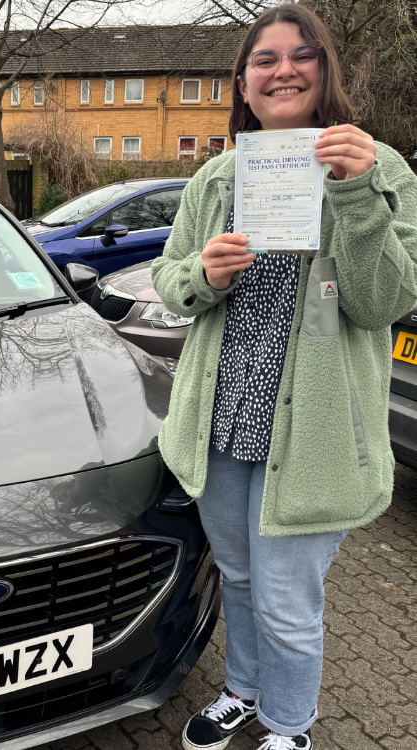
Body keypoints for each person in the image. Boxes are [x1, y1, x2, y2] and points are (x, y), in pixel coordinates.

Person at [151, 4, 417, 750]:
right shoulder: (216, 174)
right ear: (244, 81)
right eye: (265, 59)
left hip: (313, 435)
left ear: (325, 69)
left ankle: (289, 725)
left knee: (288, 601)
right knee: (237, 580)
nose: (284, 69)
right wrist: (202, 274)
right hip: (223, 420)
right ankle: (243, 690)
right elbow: (168, 281)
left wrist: (357, 193)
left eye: (302, 55)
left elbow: (385, 302)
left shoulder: (380, 167)